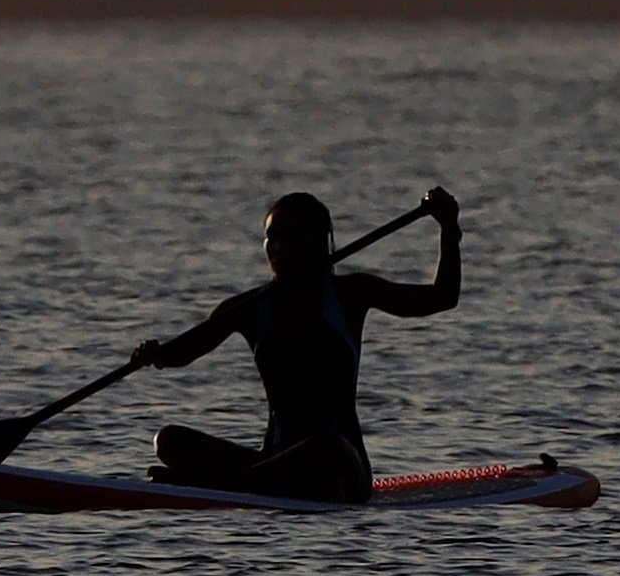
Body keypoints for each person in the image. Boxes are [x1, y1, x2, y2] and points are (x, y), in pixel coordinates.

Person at [127, 185, 459, 502]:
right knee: (168, 440)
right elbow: (182, 352)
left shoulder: (350, 295)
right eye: (272, 236)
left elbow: (442, 297)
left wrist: (448, 227)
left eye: (290, 237)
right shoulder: (247, 308)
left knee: (326, 445)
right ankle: (236, 484)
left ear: (318, 243)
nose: (277, 246)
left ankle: (220, 486)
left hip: (340, 471)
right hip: (272, 462)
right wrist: (154, 354)